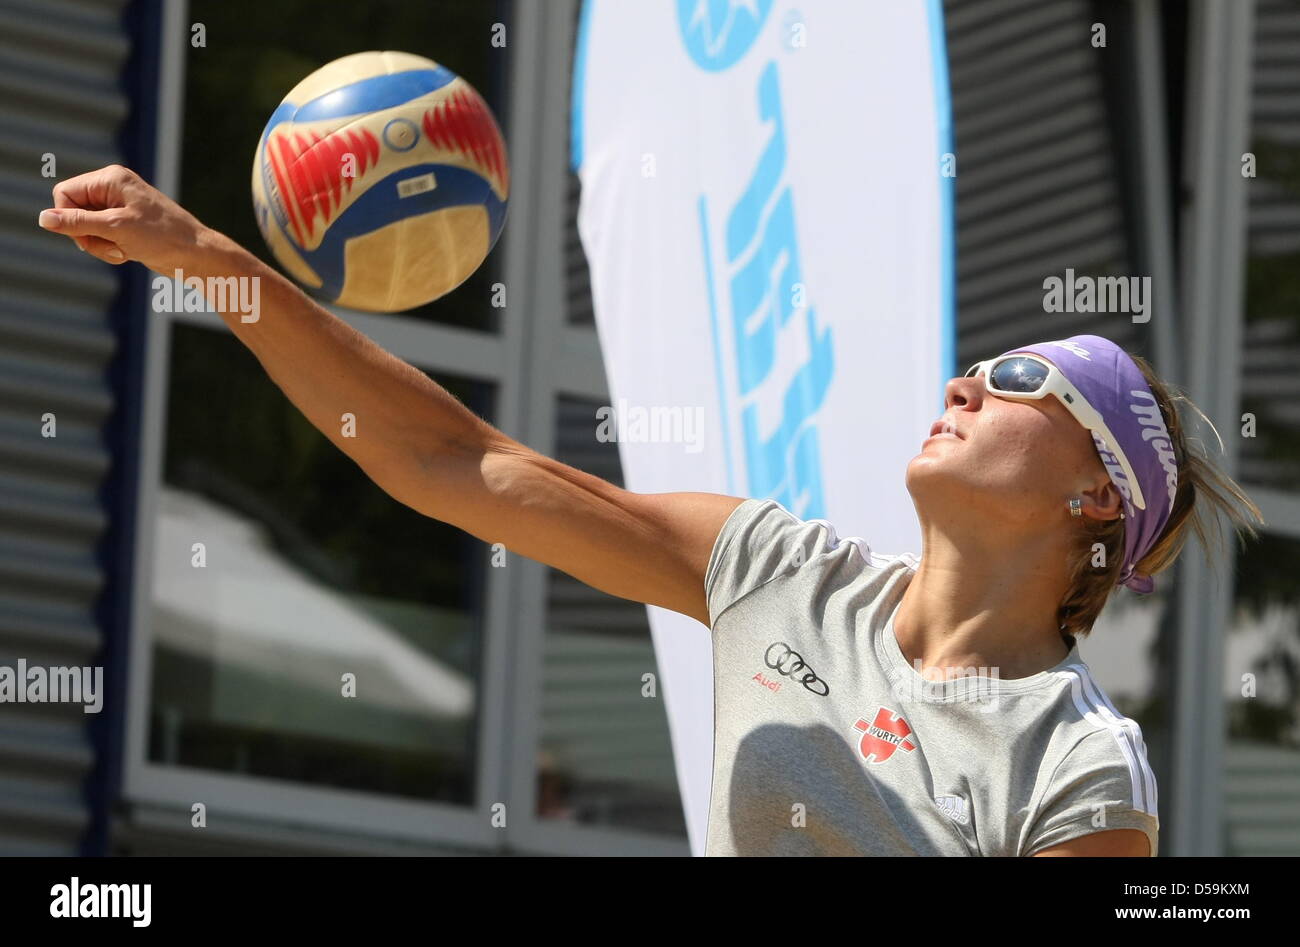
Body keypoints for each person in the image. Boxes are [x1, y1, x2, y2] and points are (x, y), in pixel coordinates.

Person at [40, 165, 1263, 856]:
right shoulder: (782, 569)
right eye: (972, 364)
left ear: (1093, 492)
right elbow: (446, 457)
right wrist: (212, 261)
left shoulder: (1081, 767)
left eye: (1015, 381)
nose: (963, 382)